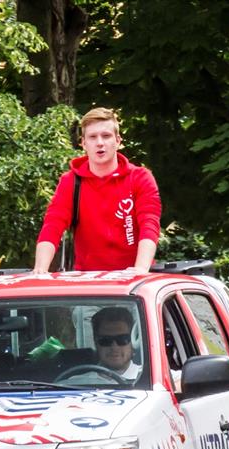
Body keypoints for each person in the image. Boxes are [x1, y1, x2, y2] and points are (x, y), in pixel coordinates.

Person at [33, 107, 162, 274]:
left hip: (133, 279)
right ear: (83, 144)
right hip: (89, 282)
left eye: (106, 136)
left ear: (118, 141)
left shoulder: (140, 178)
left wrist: (140, 269)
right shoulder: (70, 181)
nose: (100, 142)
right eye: (93, 137)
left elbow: (149, 224)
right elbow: (53, 225)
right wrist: (40, 270)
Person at [91, 306, 141, 381]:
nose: (114, 347)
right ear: (95, 342)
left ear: (132, 341)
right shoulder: (76, 383)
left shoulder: (150, 379)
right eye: (106, 340)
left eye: (122, 339)